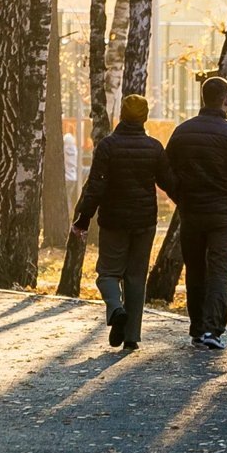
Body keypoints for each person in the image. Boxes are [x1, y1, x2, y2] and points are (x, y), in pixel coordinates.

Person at [72, 94, 178, 352]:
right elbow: (169, 183)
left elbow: (96, 186)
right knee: (136, 277)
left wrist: (83, 219)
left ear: (121, 115)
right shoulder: (154, 147)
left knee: (107, 273)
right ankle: (131, 337)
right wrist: (189, 202)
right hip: (144, 222)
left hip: (113, 221)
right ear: (144, 117)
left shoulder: (108, 146)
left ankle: (116, 309)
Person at [165, 76, 227, 351]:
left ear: (204, 98)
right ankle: (212, 330)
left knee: (195, 269)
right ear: (226, 100)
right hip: (224, 216)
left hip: (192, 213)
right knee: (218, 271)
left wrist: (180, 196)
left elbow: (165, 170)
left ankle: (196, 328)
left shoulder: (182, 132)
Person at [63, 131, 79, 209]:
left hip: (66, 177)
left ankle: (67, 212)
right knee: (68, 196)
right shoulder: (75, 151)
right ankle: (69, 212)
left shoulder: (64, 151)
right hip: (73, 177)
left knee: (65, 197)